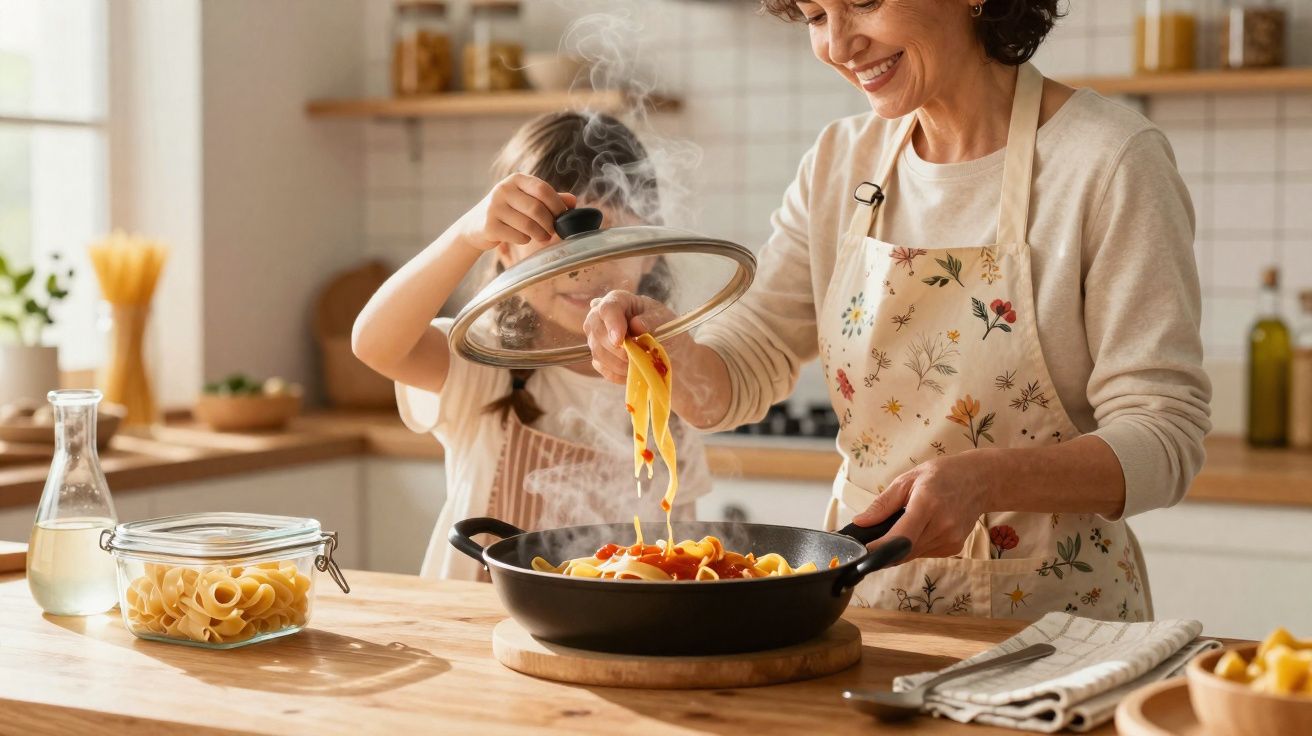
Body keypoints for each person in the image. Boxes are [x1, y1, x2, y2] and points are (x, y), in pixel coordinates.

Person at [582, 0, 1211, 620]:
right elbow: (747, 358)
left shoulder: (1109, 160)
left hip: (1054, 634)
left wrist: (984, 481)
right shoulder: (839, 162)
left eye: (862, 2)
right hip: (867, 614)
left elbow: (1163, 435)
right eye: (815, 16)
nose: (837, 44)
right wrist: (665, 352)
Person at [354, 111, 711, 580]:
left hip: (617, 643)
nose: (584, 265)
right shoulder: (481, 363)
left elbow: (680, 547)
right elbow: (375, 345)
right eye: (553, 236)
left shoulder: (668, 382)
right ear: (504, 251)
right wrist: (467, 234)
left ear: (652, 248)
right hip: (475, 634)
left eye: (609, 234)